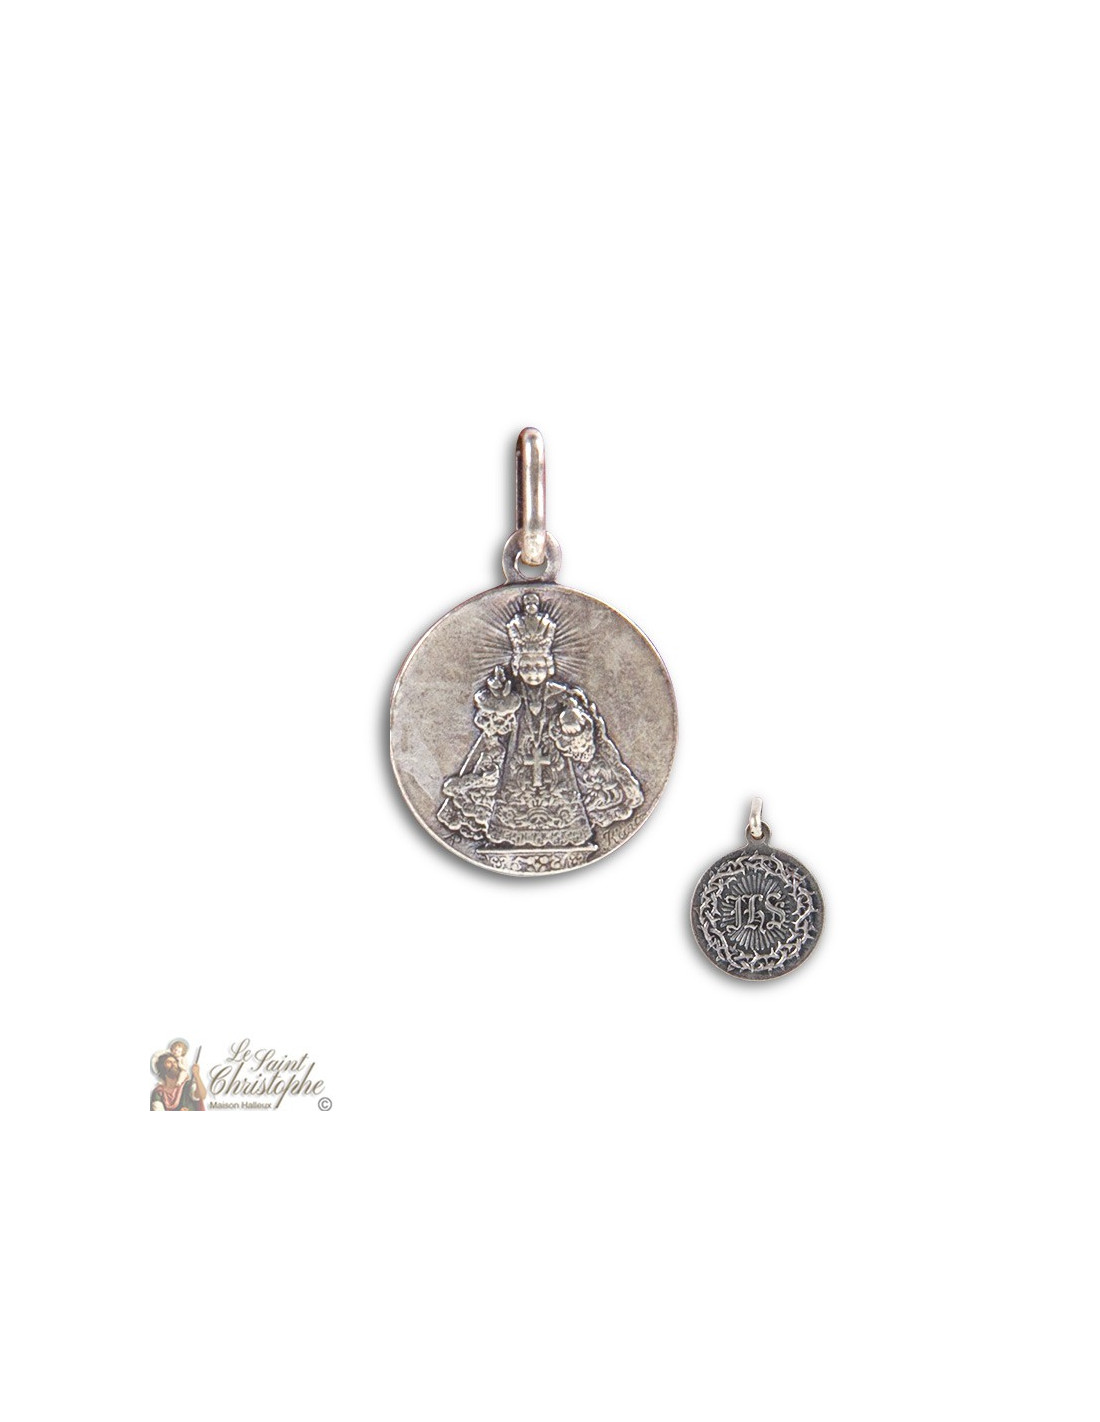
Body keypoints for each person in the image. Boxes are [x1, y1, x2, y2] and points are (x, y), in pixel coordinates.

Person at [438, 593, 643, 869]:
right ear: (517, 666)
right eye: (527, 666)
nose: (532, 672)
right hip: (515, 774)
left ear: (548, 666)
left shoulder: (564, 697)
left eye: (538, 666)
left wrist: (573, 724)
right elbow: (495, 733)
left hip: (558, 775)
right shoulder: (510, 697)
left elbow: (584, 745)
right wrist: (498, 704)